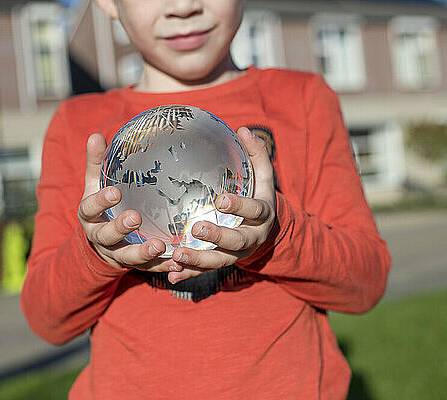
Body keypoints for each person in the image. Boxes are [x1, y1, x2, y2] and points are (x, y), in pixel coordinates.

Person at [21, 0, 391, 398]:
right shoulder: (75, 124)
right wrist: (96, 253)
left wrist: (275, 236)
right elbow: (48, 319)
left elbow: (365, 284)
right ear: (109, 4)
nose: (183, 6)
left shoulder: (303, 99)